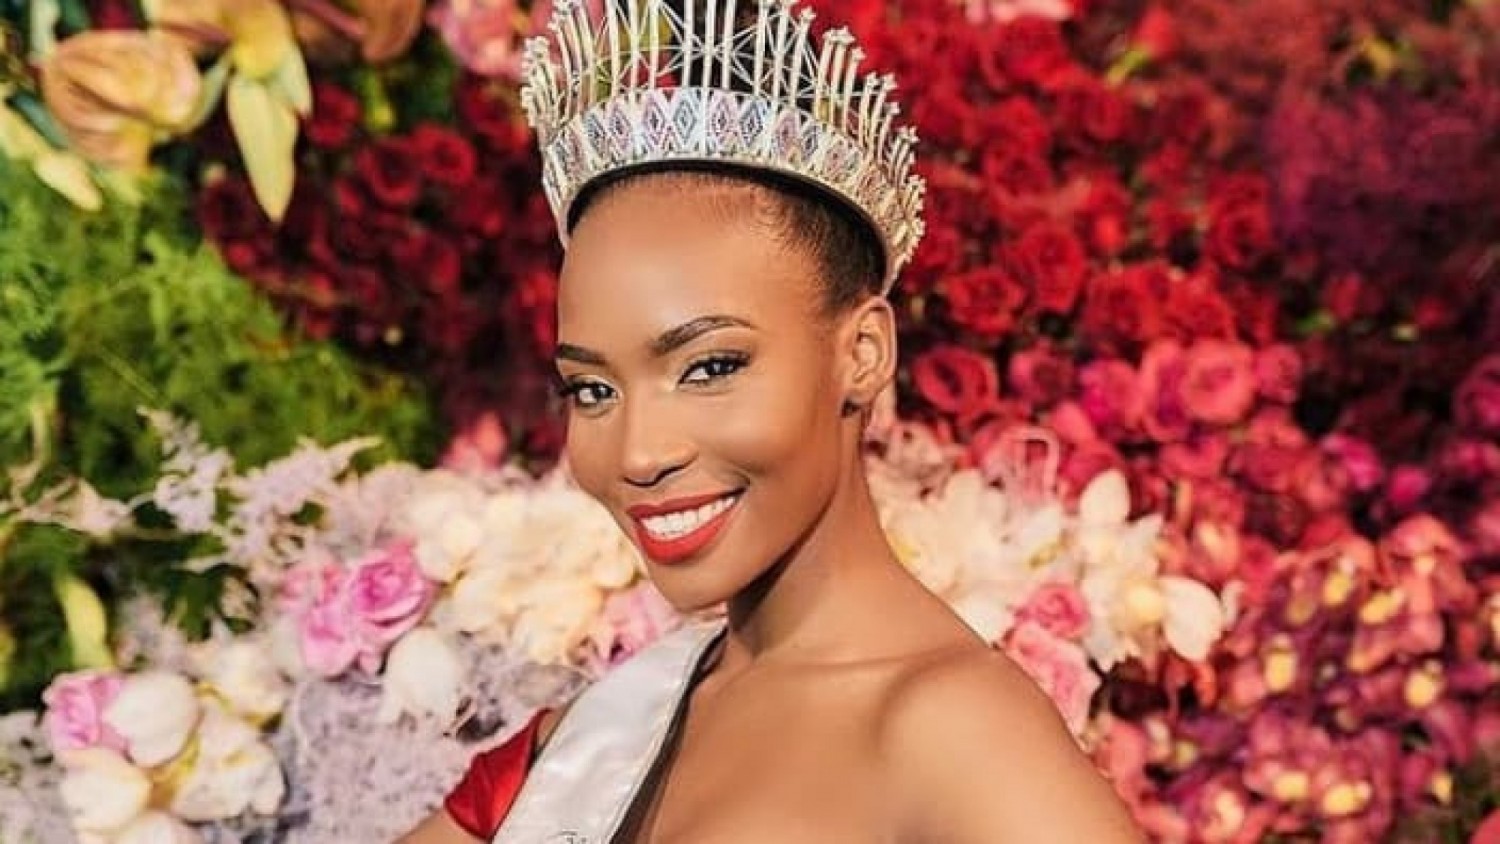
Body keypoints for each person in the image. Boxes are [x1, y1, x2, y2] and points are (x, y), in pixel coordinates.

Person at [401, 0, 1143, 840]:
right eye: (593, 390)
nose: (638, 454)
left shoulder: (957, 735)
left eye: (710, 367)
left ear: (862, 353)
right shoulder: (593, 738)